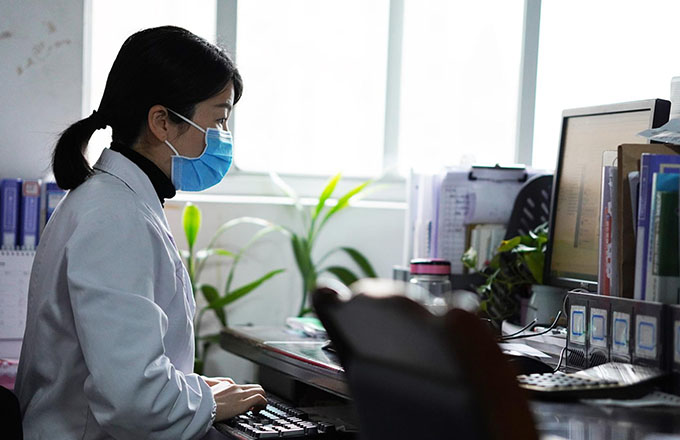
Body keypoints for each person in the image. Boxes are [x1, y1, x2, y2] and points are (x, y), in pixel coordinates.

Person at [14, 26, 267, 439]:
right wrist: (206, 402)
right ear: (162, 122)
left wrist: (191, 390)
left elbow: (126, 364)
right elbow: (134, 400)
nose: (224, 137)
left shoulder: (114, 201)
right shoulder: (114, 218)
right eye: (219, 119)